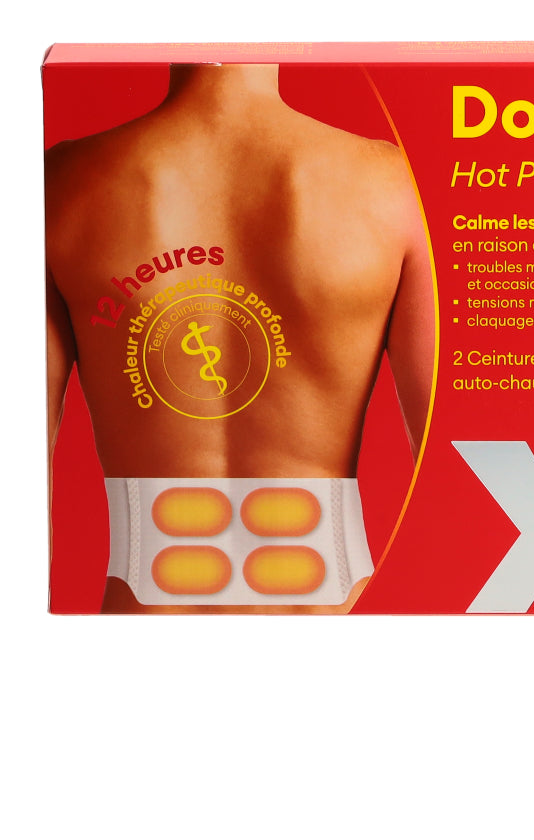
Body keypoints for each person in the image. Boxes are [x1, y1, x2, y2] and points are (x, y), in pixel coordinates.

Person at [45, 63, 434, 613]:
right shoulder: (390, 186)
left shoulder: (60, 183)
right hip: (335, 625)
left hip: (144, 633)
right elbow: (450, 467)